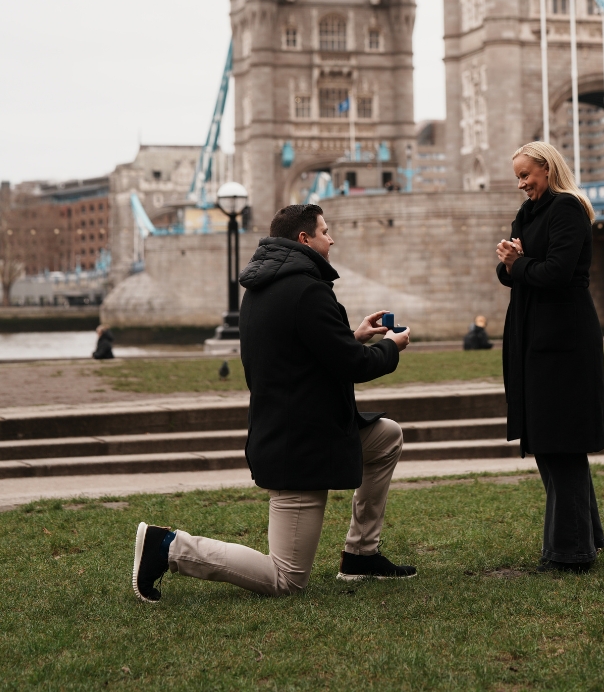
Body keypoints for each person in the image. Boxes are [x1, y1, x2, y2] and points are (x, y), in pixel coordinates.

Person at [132, 203, 415, 602]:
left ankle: (361, 554)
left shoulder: (264, 288)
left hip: (298, 429)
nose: (331, 239)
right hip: (300, 446)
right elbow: (353, 367)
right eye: (325, 231)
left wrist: (352, 336)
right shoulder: (307, 290)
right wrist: (391, 346)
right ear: (304, 239)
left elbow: (302, 352)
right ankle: (170, 547)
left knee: (385, 436)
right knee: (286, 578)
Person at [496, 142, 604, 573]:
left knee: (560, 440)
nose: (522, 183)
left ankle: (571, 551)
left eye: (526, 174)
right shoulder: (529, 212)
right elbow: (512, 270)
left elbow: (557, 272)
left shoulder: (566, 209)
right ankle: (584, 537)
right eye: (517, 177)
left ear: (548, 168)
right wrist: (513, 264)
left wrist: (518, 263)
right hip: (534, 333)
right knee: (551, 439)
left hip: (564, 338)